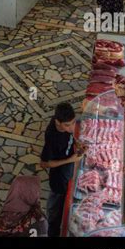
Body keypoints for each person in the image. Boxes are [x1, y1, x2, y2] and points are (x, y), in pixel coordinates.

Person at [40, 102, 82, 238]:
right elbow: (44, 163)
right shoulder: (52, 136)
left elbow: (70, 137)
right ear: (58, 122)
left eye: (73, 122)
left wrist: (77, 143)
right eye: (67, 125)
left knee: (65, 203)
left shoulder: (64, 125)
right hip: (58, 180)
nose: (71, 128)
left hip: (67, 172)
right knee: (54, 211)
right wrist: (70, 160)